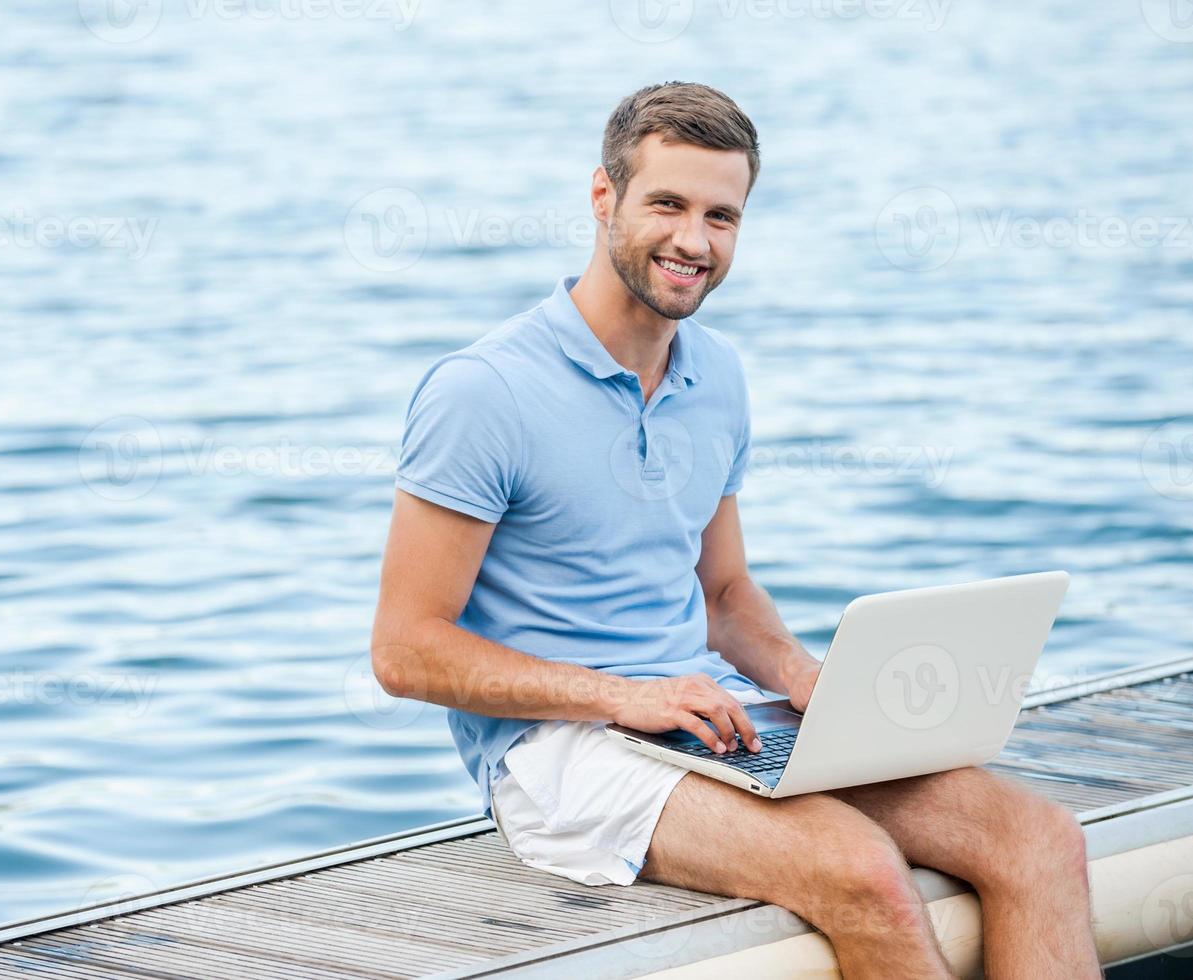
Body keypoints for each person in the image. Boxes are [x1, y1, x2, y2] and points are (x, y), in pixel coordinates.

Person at [369, 81, 1099, 978]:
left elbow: (720, 594)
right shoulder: (481, 392)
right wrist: (622, 696)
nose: (692, 240)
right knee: (862, 871)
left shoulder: (714, 375)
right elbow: (405, 652)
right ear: (603, 198)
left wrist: (798, 675)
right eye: (665, 204)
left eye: (722, 216)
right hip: (554, 750)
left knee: (1036, 839)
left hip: (704, 709)